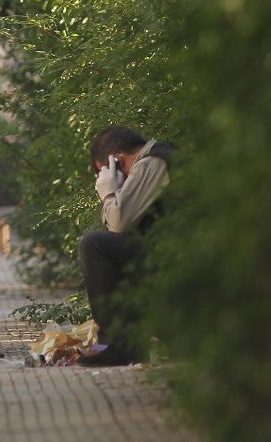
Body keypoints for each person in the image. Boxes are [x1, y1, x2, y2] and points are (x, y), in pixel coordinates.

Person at [77, 126, 174, 366]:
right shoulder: (157, 160)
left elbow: (118, 223)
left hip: (178, 260)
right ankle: (107, 344)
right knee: (112, 250)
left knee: (94, 244)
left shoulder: (152, 163)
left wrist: (109, 194)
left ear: (116, 162)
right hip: (174, 258)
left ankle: (118, 345)